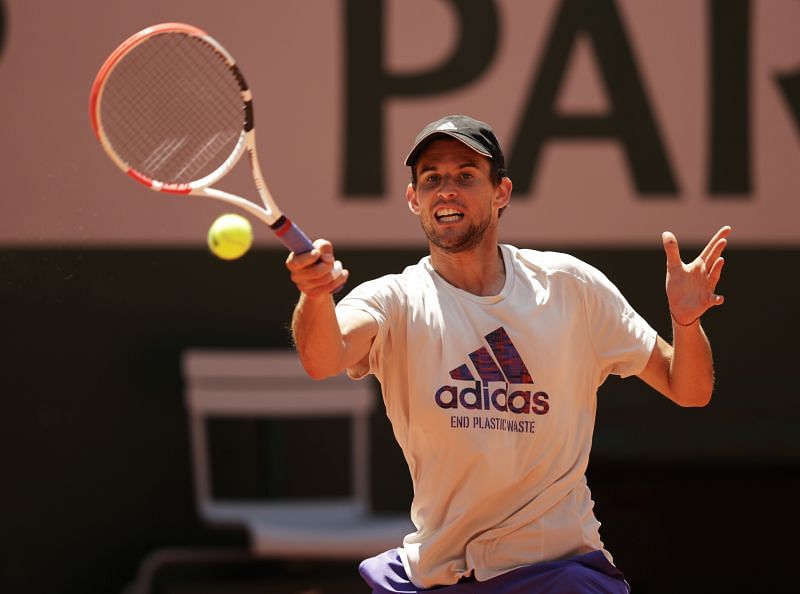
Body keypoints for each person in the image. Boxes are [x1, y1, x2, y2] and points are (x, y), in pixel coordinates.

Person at [286, 115, 731, 593]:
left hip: (554, 572)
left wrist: (686, 322)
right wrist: (315, 295)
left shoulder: (570, 286)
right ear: (413, 199)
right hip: (438, 573)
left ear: (501, 192)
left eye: (466, 175)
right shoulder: (393, 300)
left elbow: (690, 389)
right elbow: (322, 358)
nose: (447, 189)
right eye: (431, 178)